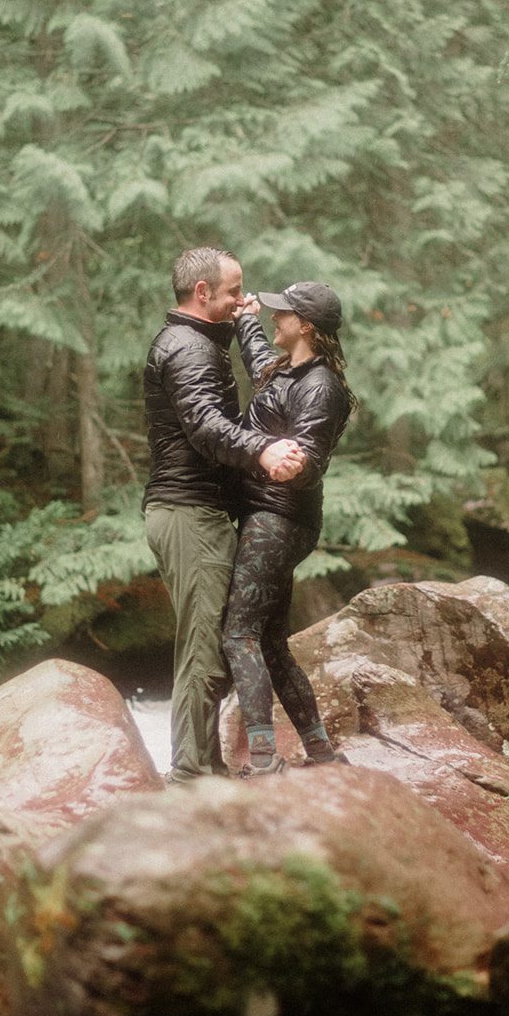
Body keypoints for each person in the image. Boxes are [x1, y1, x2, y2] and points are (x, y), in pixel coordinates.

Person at [142, 247, 306, 785]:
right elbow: (207, 426)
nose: (244, 299)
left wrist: (244, 327)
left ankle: (206, 765)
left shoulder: (196, 340)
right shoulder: (187, 349)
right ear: (203, 293)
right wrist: (263, 450)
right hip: (187, 512)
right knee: (204, 647)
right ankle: (190, 775)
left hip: (196, 510)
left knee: (213, 639)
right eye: (235, 291)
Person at [223, 280, 355, 775]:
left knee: (239, 635)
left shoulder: (322, 386)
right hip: (267, 515)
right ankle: (319, 750)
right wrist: (245, 318)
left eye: (282, 313)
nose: (274, 319)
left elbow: (312, 457)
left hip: (279, 519)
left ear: (305, 326)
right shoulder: (286, 368)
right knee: (271, 640)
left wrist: (294, 464)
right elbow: (259, 361)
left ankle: (261, 761)